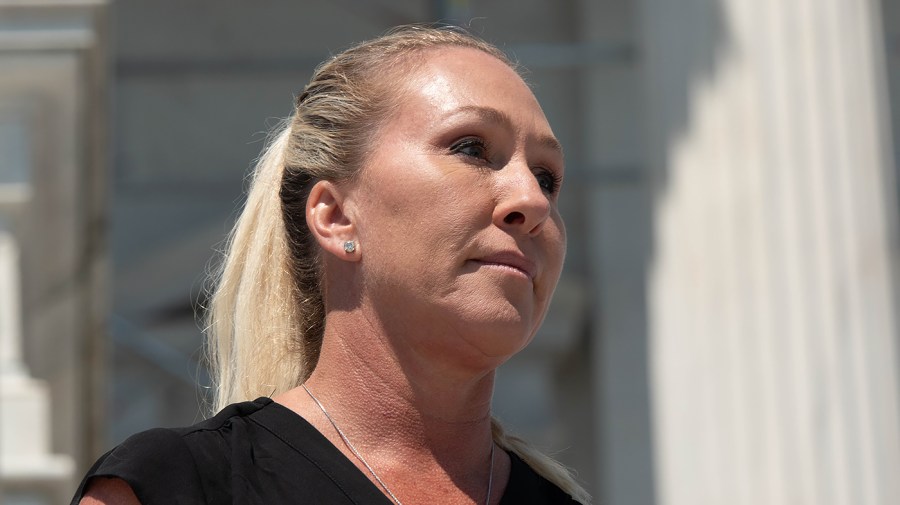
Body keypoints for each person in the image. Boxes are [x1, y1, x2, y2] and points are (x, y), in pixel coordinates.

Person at [73, 25, 590, 505]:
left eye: (547, 178)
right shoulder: (174, 487)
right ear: (337, 216)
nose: (533, 200)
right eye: (472, 147)